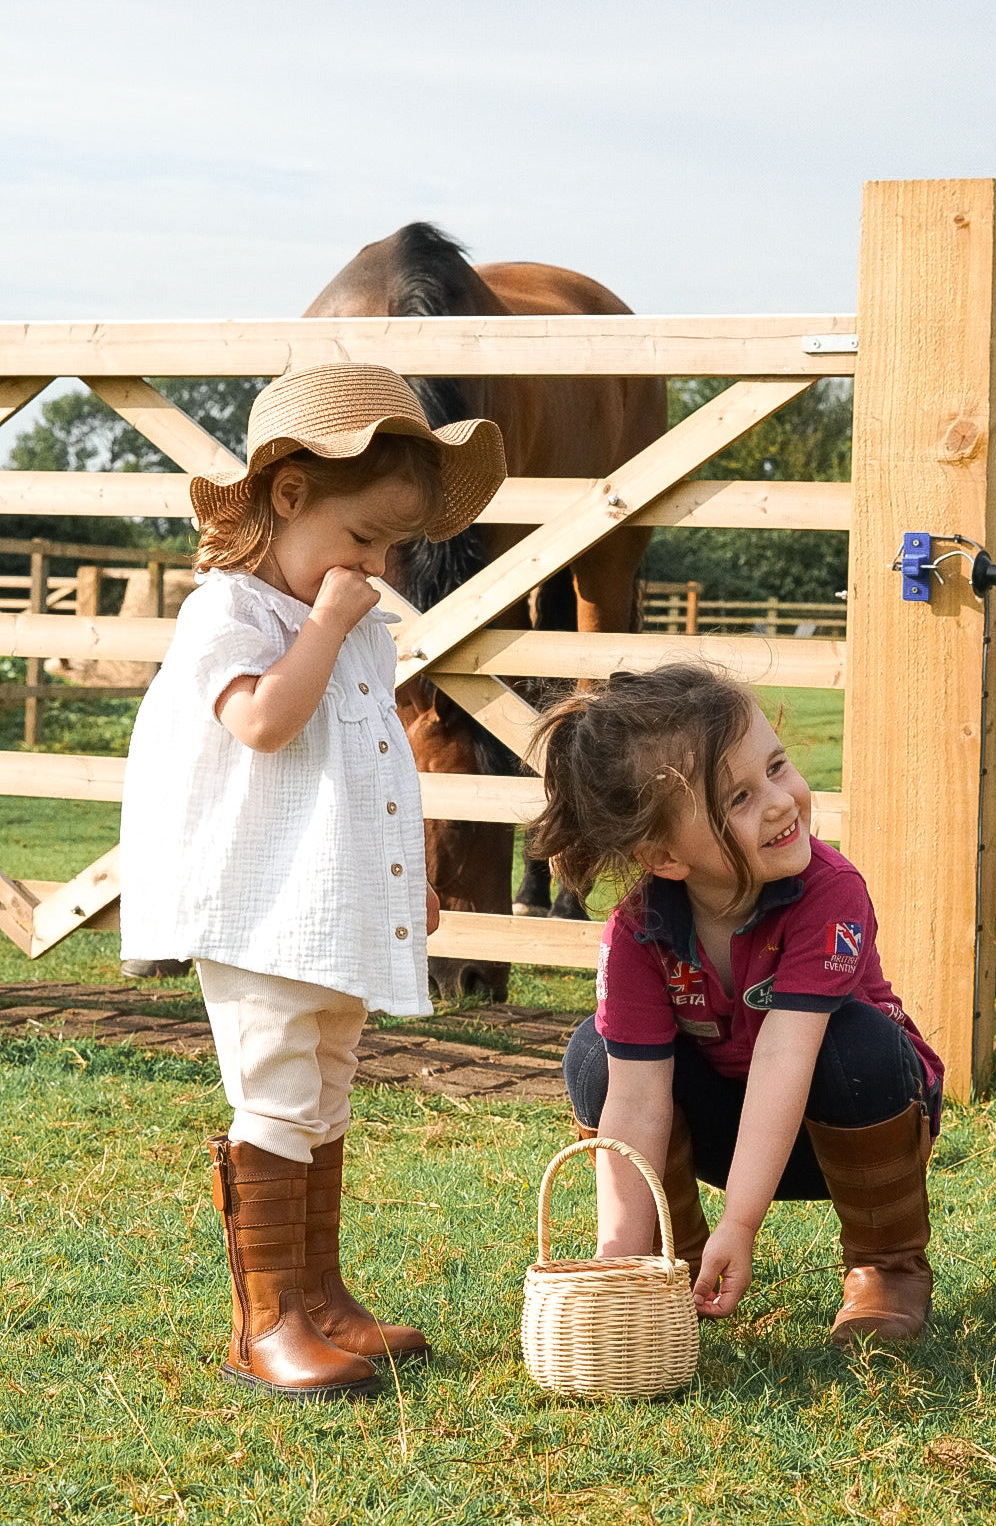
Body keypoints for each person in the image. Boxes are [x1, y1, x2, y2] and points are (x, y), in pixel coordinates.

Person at [120, 363, 505, 1399]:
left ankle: (320, 1298)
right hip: (258, 906)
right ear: (289, 494)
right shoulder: (230, 614)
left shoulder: (358, 630)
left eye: (389, 550)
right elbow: (265, 722)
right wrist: (327, 626)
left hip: (326, 903)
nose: (375, 568)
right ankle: (267, 1322)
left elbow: (372, 761)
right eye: (363, 539)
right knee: (279, 1089)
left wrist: (400, 879)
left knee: (327, 1085)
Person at [526, 663, 944, 1346]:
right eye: (740, 798)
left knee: (851, 1041)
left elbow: (785, 1057)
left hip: (857, 1127)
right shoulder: (639, 931)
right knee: (596, 1055)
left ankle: (886, 1266)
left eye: (777, 768)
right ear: (664, 856)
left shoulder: (830, 891)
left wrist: (741, 1223)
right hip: (724, 1131)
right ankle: (673, 1264)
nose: (780, 802)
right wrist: (618, 1258)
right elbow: (635, 1101)